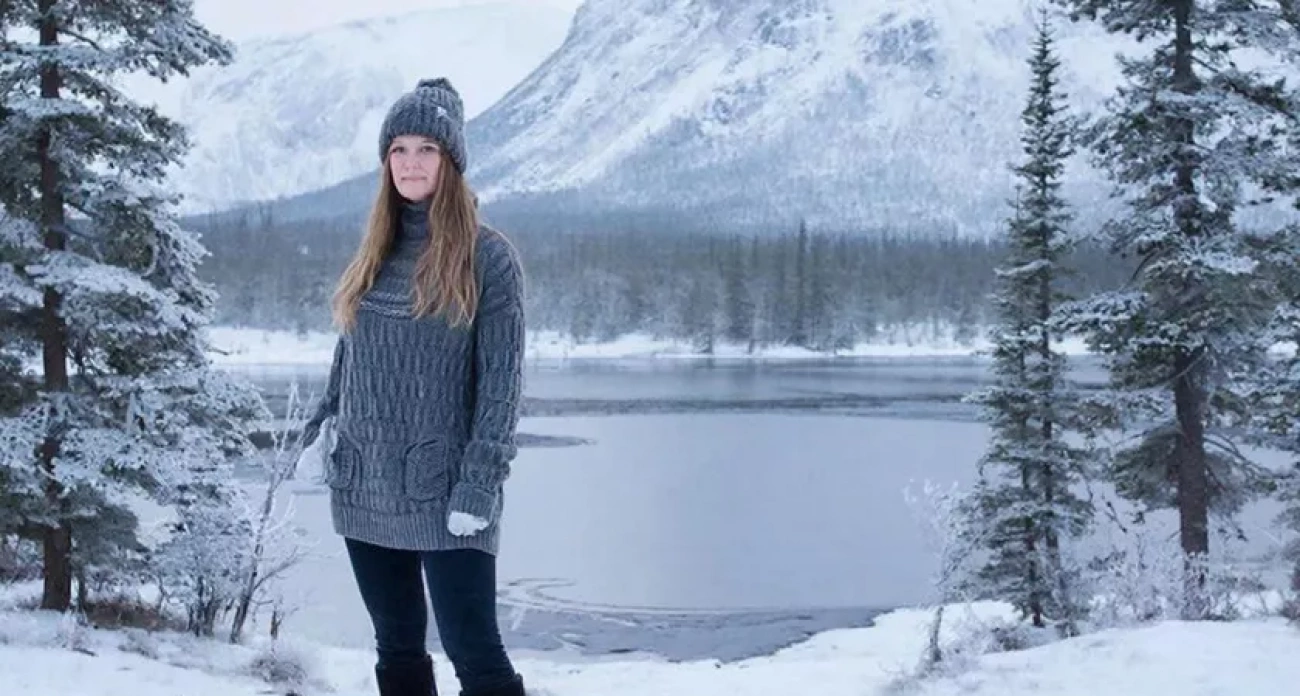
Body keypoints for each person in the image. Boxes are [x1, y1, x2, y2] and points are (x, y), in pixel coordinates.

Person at [298, 77, 529, 696]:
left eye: (426, 148)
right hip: (365, 483)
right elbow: (349, 362)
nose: (410, 163)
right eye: (398, 149)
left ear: (450, 161)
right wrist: (316, 430)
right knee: (396, 646)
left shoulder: (488, 257)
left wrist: (479, 484)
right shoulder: (374, 251)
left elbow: (502, 387)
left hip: (445, 489)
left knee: (474, 651)